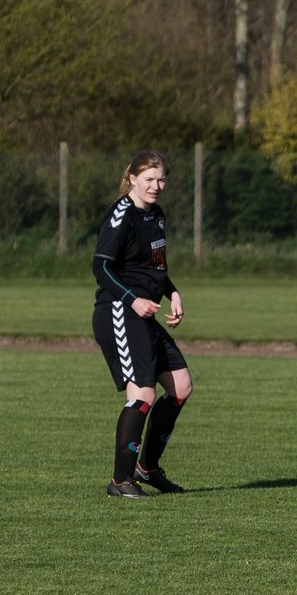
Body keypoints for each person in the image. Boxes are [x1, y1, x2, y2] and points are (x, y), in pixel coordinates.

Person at [92, 150, 192, 499]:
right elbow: (101, 268)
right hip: (117, 311)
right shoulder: (121, 216)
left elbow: (155, 269)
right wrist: (131, 298)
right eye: (149, 179)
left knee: (180, 387)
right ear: (132, 178)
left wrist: (173, 293)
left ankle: (146, 467)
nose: (156, 186)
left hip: (144, 313)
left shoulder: (157, 216)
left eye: (161, 179)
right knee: (143, 395)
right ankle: (121, 481)